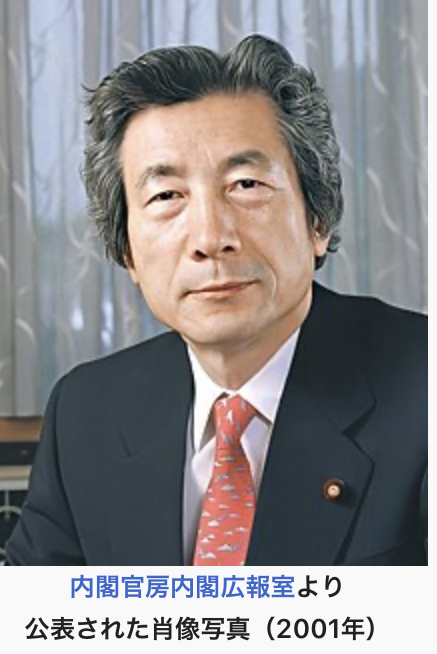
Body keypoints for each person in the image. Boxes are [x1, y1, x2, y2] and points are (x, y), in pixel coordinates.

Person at [5, 35, 427, 566]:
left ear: (317, 220)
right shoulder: (87, 411)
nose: (210, 237)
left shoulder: (423, 389)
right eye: (166, 196)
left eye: (246, 184)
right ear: (127, 251)